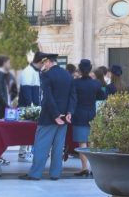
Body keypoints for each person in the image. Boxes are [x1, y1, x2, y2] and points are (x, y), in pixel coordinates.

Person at [20, 52, 72, 181]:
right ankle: (55, 173)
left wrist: (55, 115)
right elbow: (73, 95)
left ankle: (35, 173)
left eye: (44, 63)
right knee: (58, 148)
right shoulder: (67, 74)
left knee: (41, 146)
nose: (43, 65)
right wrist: (69, 112)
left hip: (49, 117)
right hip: (65, 117)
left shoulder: (46, 75)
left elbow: (48, 98)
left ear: (48, 61)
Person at [69, 59, 103, 177]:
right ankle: (93, 168)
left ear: (79, 69)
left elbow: (72, 98)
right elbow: (101, 96)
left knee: (82, 143)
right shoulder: (96, 83)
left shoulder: (75, 83)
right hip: (92, 114)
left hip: (79, 114)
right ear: (90, 69)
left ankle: (84, 167)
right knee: (92, 142)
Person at [16, 56, 41, 162]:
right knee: (25, 131)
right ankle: (22, 153)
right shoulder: (28, 71)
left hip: (33, 107)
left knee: (30, 131)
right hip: (28, 107)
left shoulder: (35, 71)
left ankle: (26, 152)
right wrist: (32, 108)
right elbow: (26, 91)